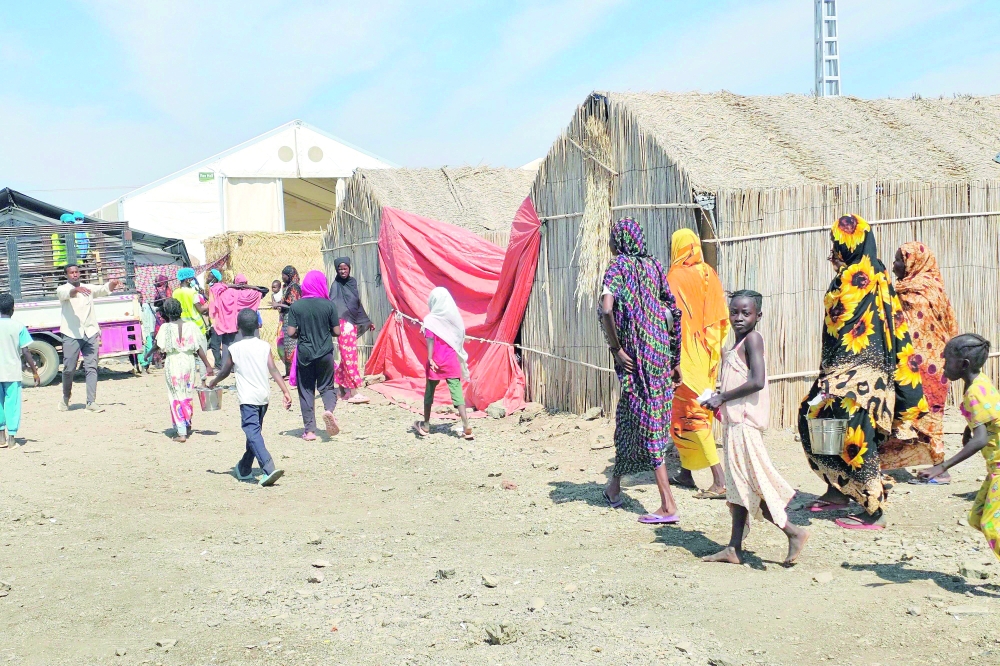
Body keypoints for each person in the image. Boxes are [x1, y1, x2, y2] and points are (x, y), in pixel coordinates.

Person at [800, 214, 927, 529]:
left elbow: (842, 326)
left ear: (849, 245)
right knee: (818, 423)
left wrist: (835, 376)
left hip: (855, 375)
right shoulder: (878, 273)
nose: (833, 250)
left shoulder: (855, 278)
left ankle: (873, 510)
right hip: (851, 372)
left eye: (836, 244)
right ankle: (837, 491)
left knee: (855, 437)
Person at [701, 291, 809, 565]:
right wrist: (719, 402)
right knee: (739, 486)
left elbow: (758, 381)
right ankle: (734, 548)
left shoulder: (753, 340)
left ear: (757, 316)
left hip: (746, 427)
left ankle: (792, 531)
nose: (738, 318)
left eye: (745, 313)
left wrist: (723, 397)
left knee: (754, 485)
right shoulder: (737, 344)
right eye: (734, 312)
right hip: (735, 425)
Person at [598, 218, 683, 524]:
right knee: (628, 418)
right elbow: (673, 311)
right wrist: (674, 358)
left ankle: (668, 504)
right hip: (659, 353)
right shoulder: (655, 266)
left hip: (637, 359)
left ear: (619, 240)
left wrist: (617, 349)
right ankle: (614, 488)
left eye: (611, 238)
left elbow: (607, 308)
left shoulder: (617, 267)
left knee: (650, 423)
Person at [881, 242, 959, 478]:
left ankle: (940, 467)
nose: (895, 265)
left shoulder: (921, 292)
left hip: (928, 367)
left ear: (913, 262)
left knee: (929, 418)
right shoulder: (927, 289)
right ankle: (887, 462)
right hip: (921, 364)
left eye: (899, 260)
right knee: (907, 416)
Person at [918, 334, 999, 561]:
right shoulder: (979, 382)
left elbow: (981, 439)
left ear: (964, 365)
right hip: (995, 468)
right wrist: (968, 429)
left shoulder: (974, 392)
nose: (943, 365)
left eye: (947, 360)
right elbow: (988, 415)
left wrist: (941, 467)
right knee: (978, 517)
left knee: (992, 527)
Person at [666, 228, 730, 498]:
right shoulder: (708, 273)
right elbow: (720, 317)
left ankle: (719, 480)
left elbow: (670, 320)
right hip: (705, 354)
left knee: (691, 414)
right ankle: (686, 472)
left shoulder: (673, 278)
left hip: (684, 357)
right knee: (687, 414)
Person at [206, 308, 290, 487]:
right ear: (258, 325)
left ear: (238, 327)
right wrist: (285, 390)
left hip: (248, 399)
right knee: (254, 433)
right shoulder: (264, 346)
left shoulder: (235, 349)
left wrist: (213, 382)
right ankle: (244, 468)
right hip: (263, 397)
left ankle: (268, 468)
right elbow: (274, 369)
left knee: (252, 433)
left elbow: (225, 372)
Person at [57, 264, 122, 412]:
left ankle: (91, 402)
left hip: (90, 332)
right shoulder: (63, 289)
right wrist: (75, 290)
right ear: (66, 275)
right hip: (71, 333)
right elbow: (65, 294)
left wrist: (112, 284)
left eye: (76, 272)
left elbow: (102, 289)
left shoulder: (87, 288)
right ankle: (66, 397)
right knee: (68, 369)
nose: (75, 275)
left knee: (91, 367)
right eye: (71, 273)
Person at [149, 298, 214, 442]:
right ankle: (187, 422)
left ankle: (182, 432)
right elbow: (199, 348)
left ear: (166, 312)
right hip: (188, 362)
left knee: (175, 394)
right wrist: (208, 365)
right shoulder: (191, 326)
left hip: (173, 362)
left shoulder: (165, 328)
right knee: (186, 392)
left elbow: (157, 345)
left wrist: (148, 354)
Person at [413, 287, 473, 441]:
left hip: (436, 361)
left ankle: (426, 425)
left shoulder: (431, 320)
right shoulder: (454, 319)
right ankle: (466, 424)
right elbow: (460, 335)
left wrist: (431, 358)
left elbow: (430, 340)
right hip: (451, 360)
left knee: (429, 392)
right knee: (456, 392)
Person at [286, 270, 340, 440]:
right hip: (325, 353)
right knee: (327, 387)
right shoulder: (329, 305)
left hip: (305, 354)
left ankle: (309, 431)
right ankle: (329, 410)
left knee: (306, 390)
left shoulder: (296, 306)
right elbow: (337, 332)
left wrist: (301, 334)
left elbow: (291, 332)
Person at [329, 257, 375, 404]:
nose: (343, 271)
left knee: (347, 357)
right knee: (350, 357)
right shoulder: (335, 286)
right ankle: (354, 392)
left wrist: (366, 321)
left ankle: (342, 389)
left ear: (349, 268)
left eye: (345, 268)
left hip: (351, 324)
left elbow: (357, 304)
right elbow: (332, 305)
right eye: (340, 269)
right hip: (342, 324)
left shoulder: (352, 282)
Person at [0, 293, 39, 448]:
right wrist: (35, 371)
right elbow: (26, 352)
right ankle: (12, 439)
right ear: (13, 309)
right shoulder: (18, 326)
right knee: (12, 404)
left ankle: (1, 437)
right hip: (11, 373)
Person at [209, 272, 263, 364]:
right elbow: (263, 290)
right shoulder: (252, 293)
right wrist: (248, 286)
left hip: (229, 323)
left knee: (228, 345)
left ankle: (228, 366)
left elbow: (214, 288)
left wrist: (232, 285)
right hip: (244, 325)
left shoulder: (227, 292)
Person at [274, 266, 301, 378]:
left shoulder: (294, 287)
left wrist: (279, 305)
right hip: (285, 319)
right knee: (286, 346)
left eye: (283, 275)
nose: (282, 278)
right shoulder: (287, 287)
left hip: (292, 318)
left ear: (289, 275)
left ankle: (294, 373)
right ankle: (289, 372)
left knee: (292, 346)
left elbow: (294, 305)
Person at [173, 267, 209, 339]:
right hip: (196, 328)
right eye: (192, 279)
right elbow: (201, 310)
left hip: (183, 328)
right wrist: (209, 303)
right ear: (187, 280)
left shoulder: (175, 293)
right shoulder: (192, 293)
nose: (193, 281)